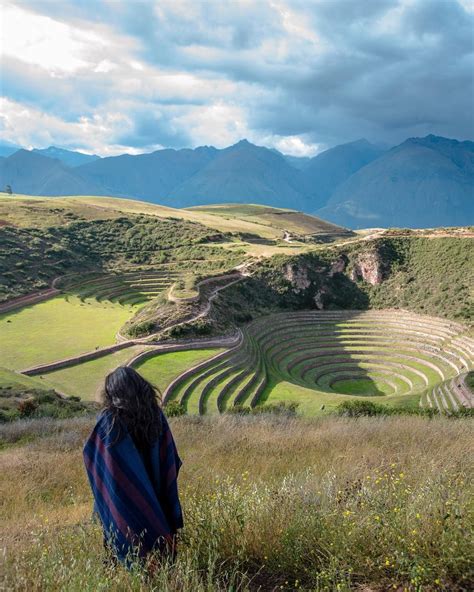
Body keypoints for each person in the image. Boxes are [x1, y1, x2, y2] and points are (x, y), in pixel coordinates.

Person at [83, 366, 183, 566]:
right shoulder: (156, 416)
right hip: (157, 490)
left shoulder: (107, 421)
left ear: (112, 393)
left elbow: (93, 457)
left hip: (120, 498)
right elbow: (170, 458)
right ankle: (162, 571)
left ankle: (127, 569)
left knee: (118, 535)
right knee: (159, 537)